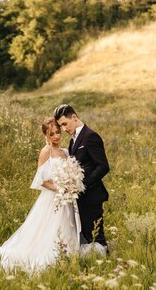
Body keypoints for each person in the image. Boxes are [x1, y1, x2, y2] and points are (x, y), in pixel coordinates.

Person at [0, 117, 80, 272]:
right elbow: (40, 180)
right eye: (52, 134)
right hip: (52, 198)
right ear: (46, 135)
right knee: (46, 229)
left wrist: (70, 184)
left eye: (57, 132)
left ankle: (67, 255)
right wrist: (59, 188)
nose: (56, 136)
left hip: (66, 200)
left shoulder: (65, 151)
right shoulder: (46, 152)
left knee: (66, 227)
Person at [54, 104, 110, 249]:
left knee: (97, 238)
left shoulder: (90, 136)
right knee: (86, 236)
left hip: (92, 196)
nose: (64, 129)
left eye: (65, 124)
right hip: (80, 198)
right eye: (61, 126)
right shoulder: (73, 140)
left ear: (74, 117)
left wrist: (82, 184)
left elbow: (103, 166)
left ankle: (104, 261)